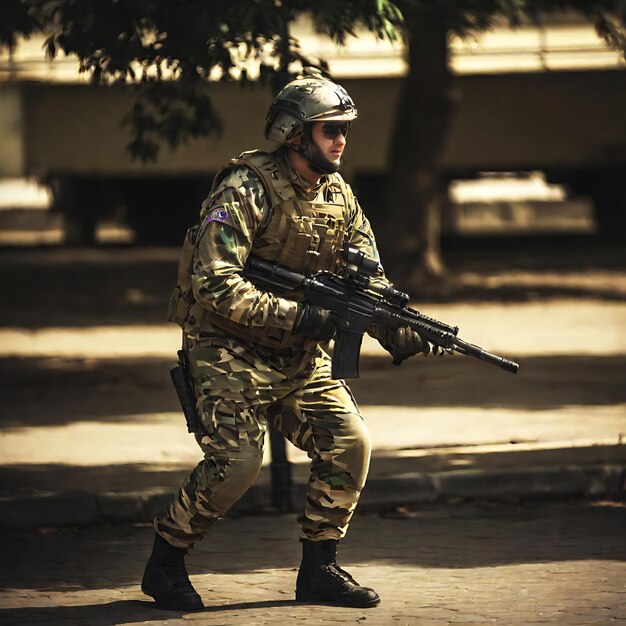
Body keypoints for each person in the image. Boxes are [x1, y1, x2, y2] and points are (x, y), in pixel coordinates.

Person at [141, 75, 432, 611]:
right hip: (226, 346)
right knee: (238, 461)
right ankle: (166, 562)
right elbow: (214, 283)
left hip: (296, 352)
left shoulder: (339, 194)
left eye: (345, 129)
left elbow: (366, 280)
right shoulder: (244, 187)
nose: (341, 139)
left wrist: (394, 326)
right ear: (295, 133)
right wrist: (303, 318)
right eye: (330, 130)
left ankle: (320, 569)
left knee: (350, 442)